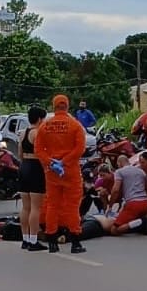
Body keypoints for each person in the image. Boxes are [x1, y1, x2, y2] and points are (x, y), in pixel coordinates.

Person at [35, 94, 88, 254]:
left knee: (52, 205)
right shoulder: (75, 125)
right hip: (70, 171)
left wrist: (51, 163)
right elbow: (80, 149)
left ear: (53, 106)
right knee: (73, 206)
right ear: (67, 106)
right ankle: (75, 242)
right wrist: (64, 162)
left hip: (52, 172)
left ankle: (52, 241)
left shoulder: (45, 126)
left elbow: (38, 150)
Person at [17, 106, 47, 252]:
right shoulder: (38, 133)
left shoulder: (23, 133)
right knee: (36, 207)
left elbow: (20, 154)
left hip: (24, 167)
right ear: (40, 119)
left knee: (25, 207)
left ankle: (25, 239)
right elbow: (41, 153)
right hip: (35, 168)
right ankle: (34, 240)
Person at [108, 155, 147, 235]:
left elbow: (115, 190)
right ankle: (141, 223)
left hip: (133, 204)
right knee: (131, 219)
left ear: (119, 163)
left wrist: (110, 205)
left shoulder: (119, 172)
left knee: (114, 230)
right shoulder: (141, 171)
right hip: (146, 203)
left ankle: (142, 222)